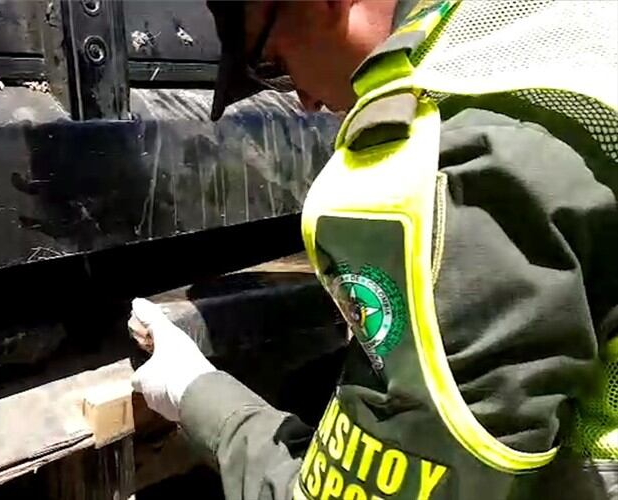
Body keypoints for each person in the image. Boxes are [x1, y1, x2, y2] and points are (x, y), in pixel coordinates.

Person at [128, 0, 618, 499]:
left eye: (272, 63)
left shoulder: (471, 170)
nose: (303, 102)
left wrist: (194, 393)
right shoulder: (559, 42)